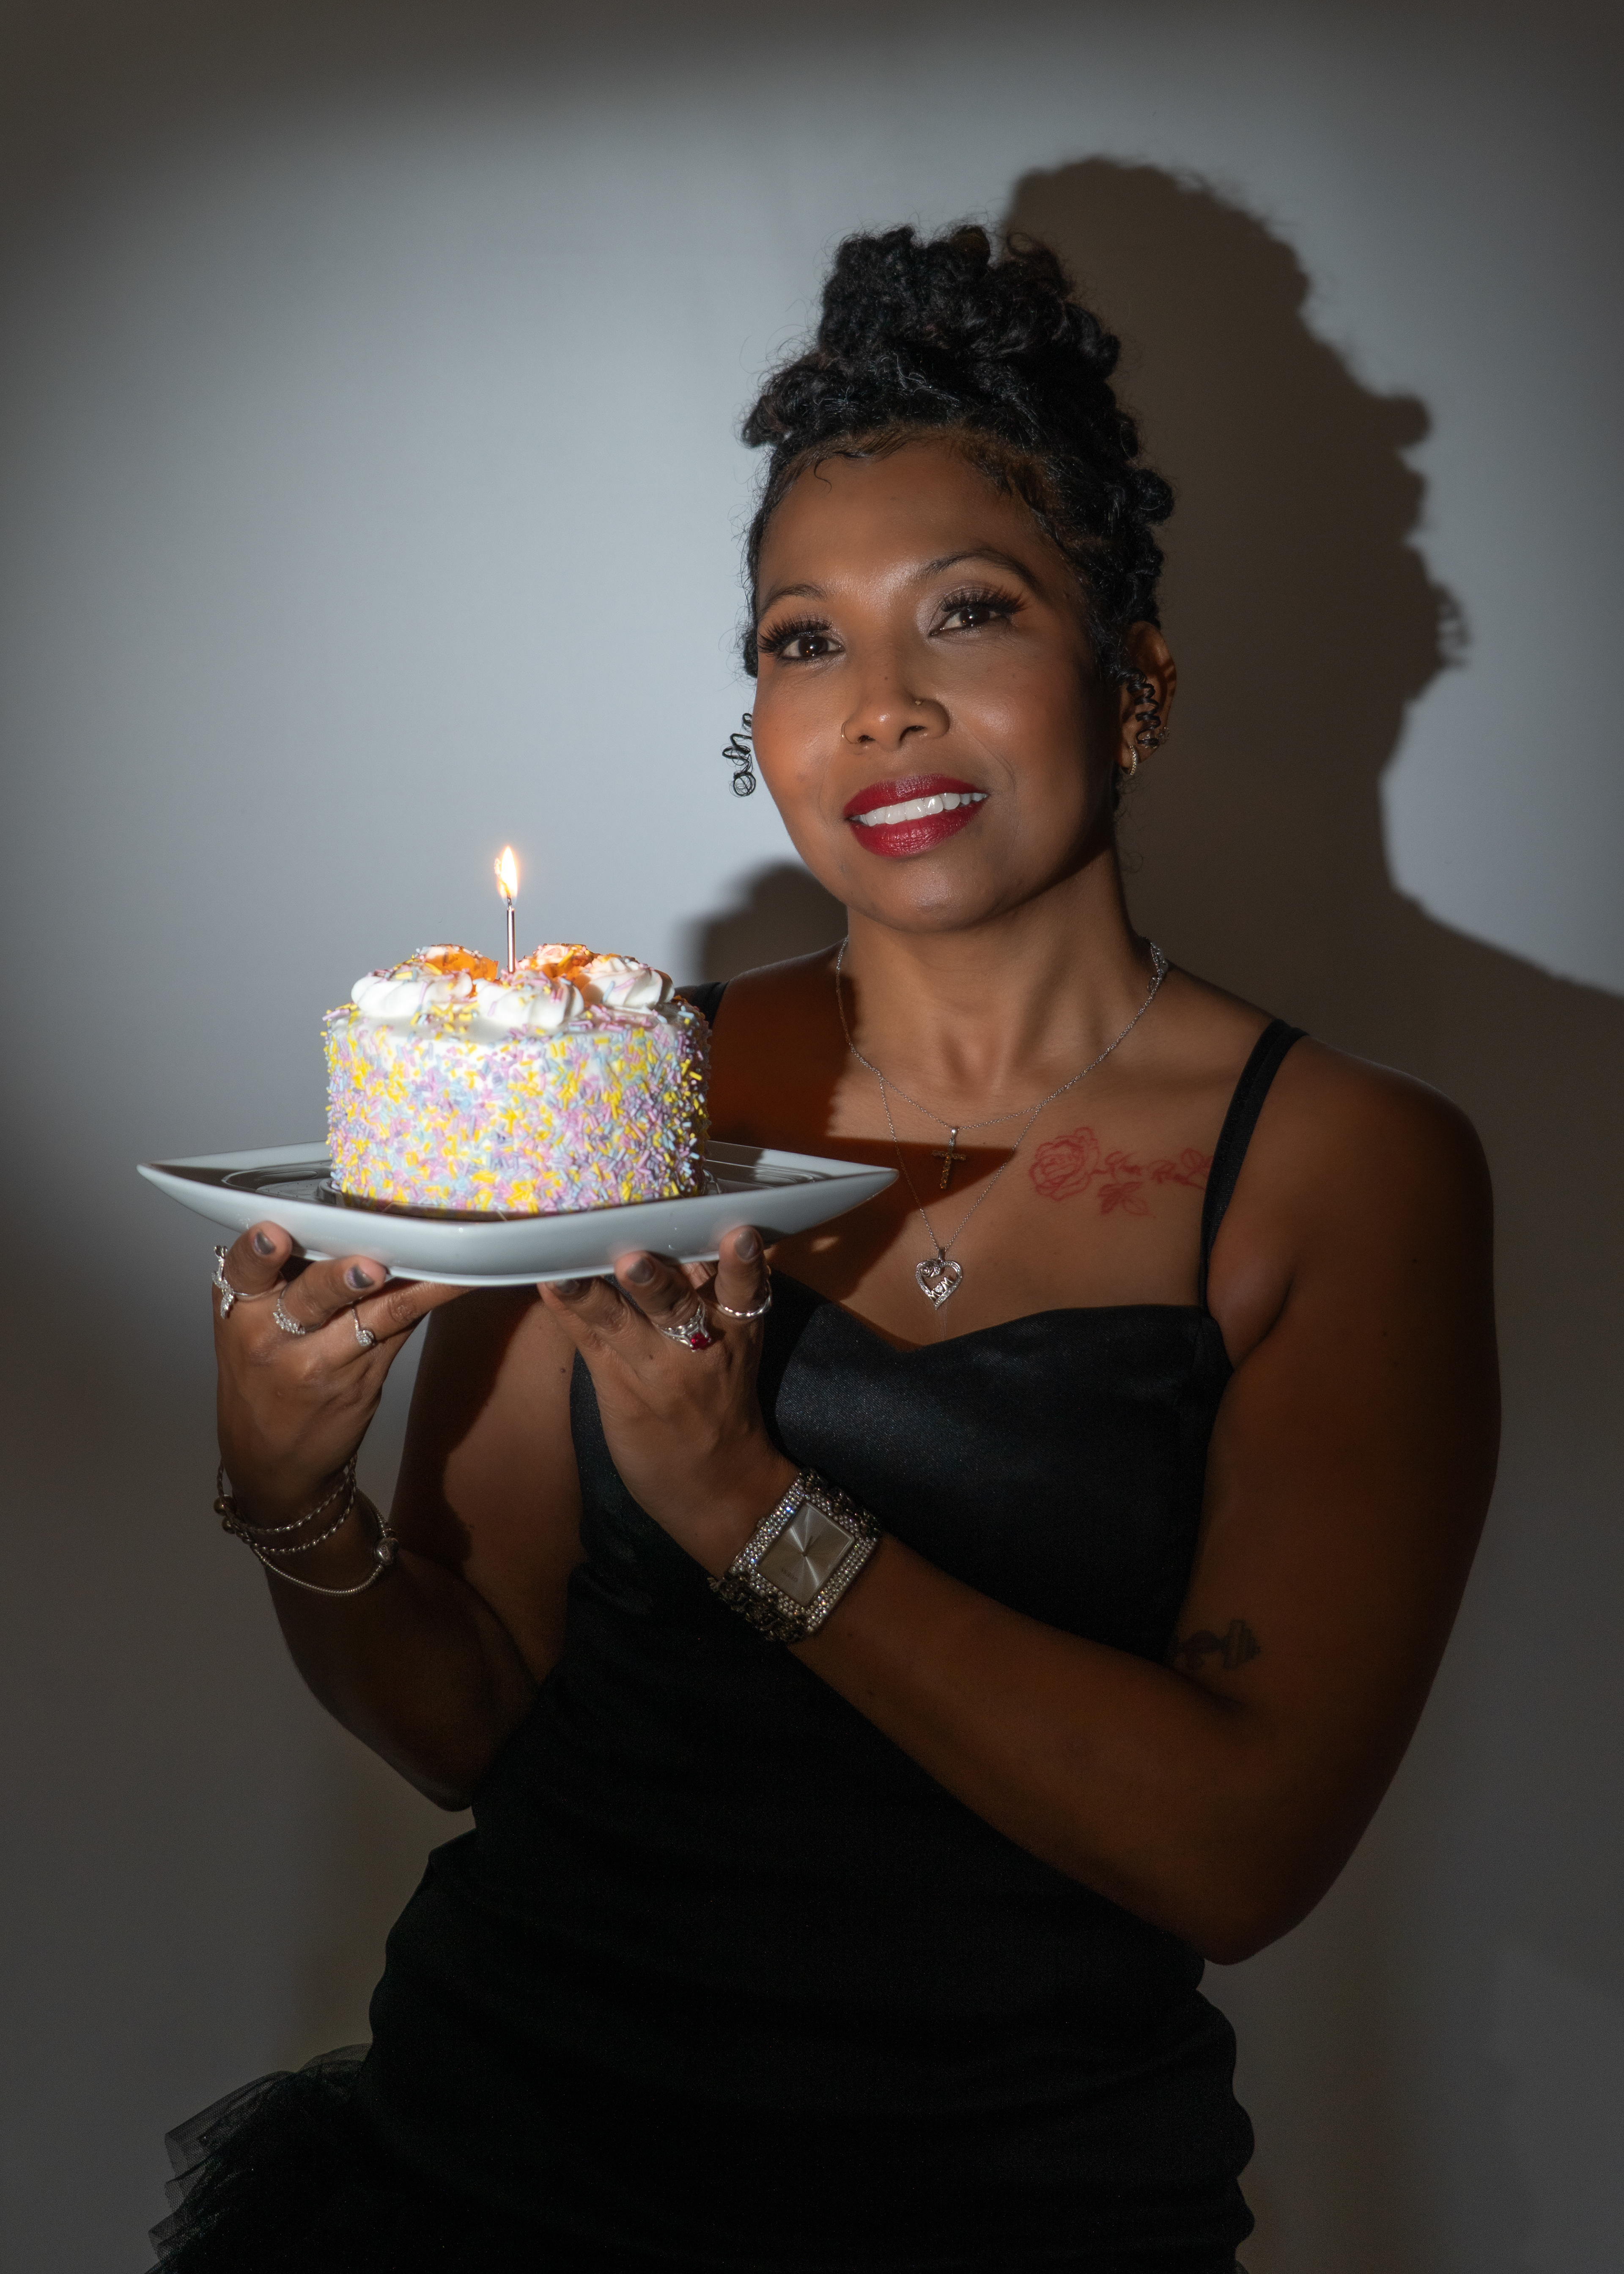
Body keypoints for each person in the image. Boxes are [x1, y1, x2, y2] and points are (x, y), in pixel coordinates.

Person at [154, 225, 1498, 2274]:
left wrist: (749, 1512)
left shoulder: (1343, 1169)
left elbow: (1237, 1857)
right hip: (494, 2180)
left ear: (1133, 675)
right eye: (805, 642)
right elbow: (464, 1723)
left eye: (970, 611)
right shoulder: (613, 1090)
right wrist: (290, 1502)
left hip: (1030, 2218)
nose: (885, 709)